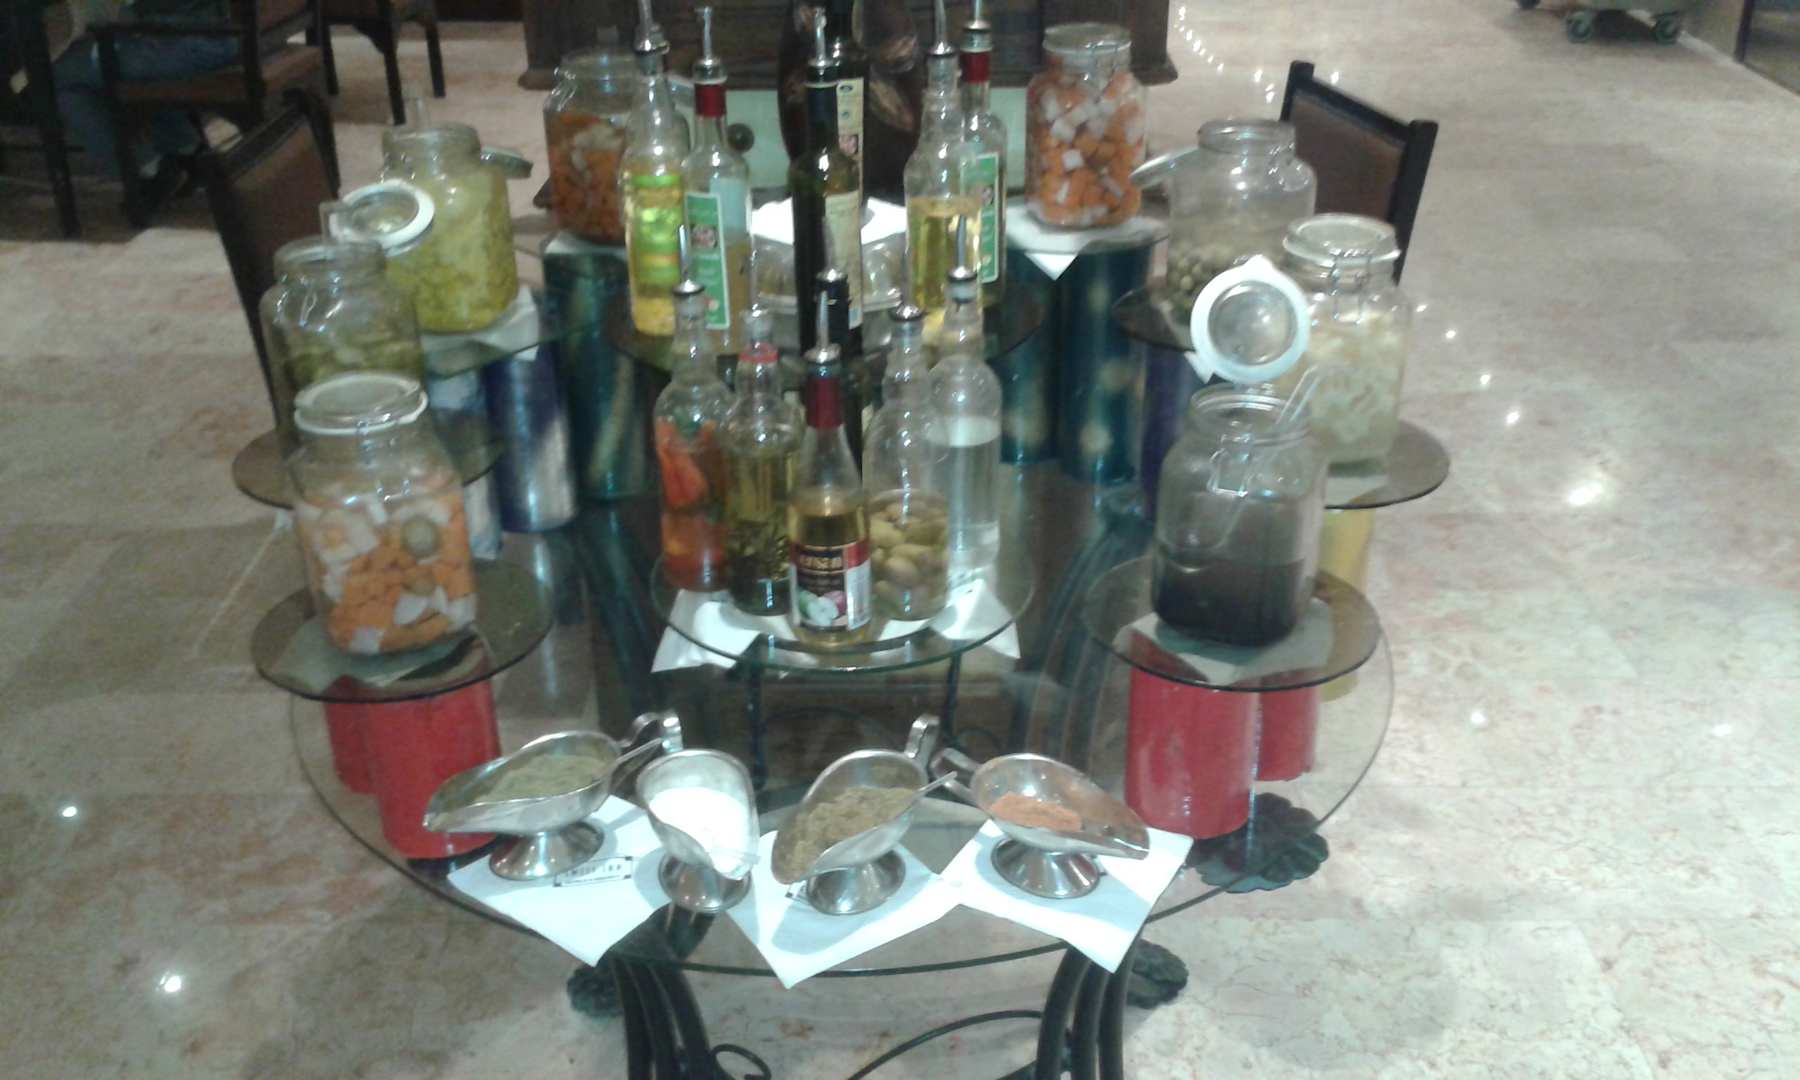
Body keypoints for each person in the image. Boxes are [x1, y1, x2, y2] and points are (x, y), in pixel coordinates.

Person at [50, 0, 237, 192]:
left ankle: (153, 169)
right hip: (211, 34)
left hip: (187, 40)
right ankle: (181, 154)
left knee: (56, 75)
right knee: (73, 88)